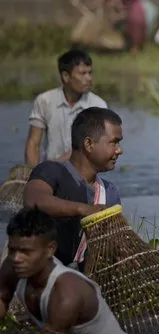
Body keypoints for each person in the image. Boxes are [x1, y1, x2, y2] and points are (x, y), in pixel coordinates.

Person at [0, 207, 136, 334]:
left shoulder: (67, 293)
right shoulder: (12, 266)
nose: (16, 258)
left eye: (25, 251)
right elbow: (2, 298)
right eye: (12, 249)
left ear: (50, 249)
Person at [23, 107, 124, 271]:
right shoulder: (51, 171)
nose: (120, 150)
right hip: (38, 274)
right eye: (114, 142)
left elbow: (112, 242)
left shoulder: (109, 192)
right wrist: (83, 210)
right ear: (89, 144)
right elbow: (32, 199)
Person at [24, 49, 108, 166]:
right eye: (83, 73)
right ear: (66, 76)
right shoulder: (45, 101)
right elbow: (33, 143)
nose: (89, 78)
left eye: (90, 73)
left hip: (84, 172)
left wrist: (57, 166)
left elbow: (95, 147)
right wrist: (34, 176)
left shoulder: (98, 105)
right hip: (51, 174)